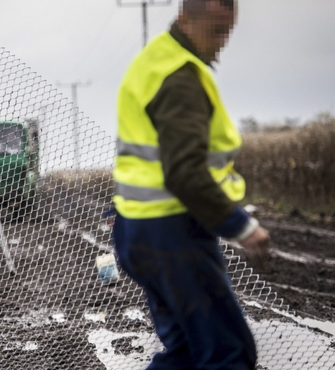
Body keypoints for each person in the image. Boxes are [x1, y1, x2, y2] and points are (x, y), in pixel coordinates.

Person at [112, 1, 270, 368]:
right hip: (172, 234)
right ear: (185, 17)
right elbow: (185, 172)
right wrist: (240, 226)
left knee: (184, 355)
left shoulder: (153, 61)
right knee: (230, 354)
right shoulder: (180, 75)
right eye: (216, 30)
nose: (223, 41)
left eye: (228, 30)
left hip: (135, 229)